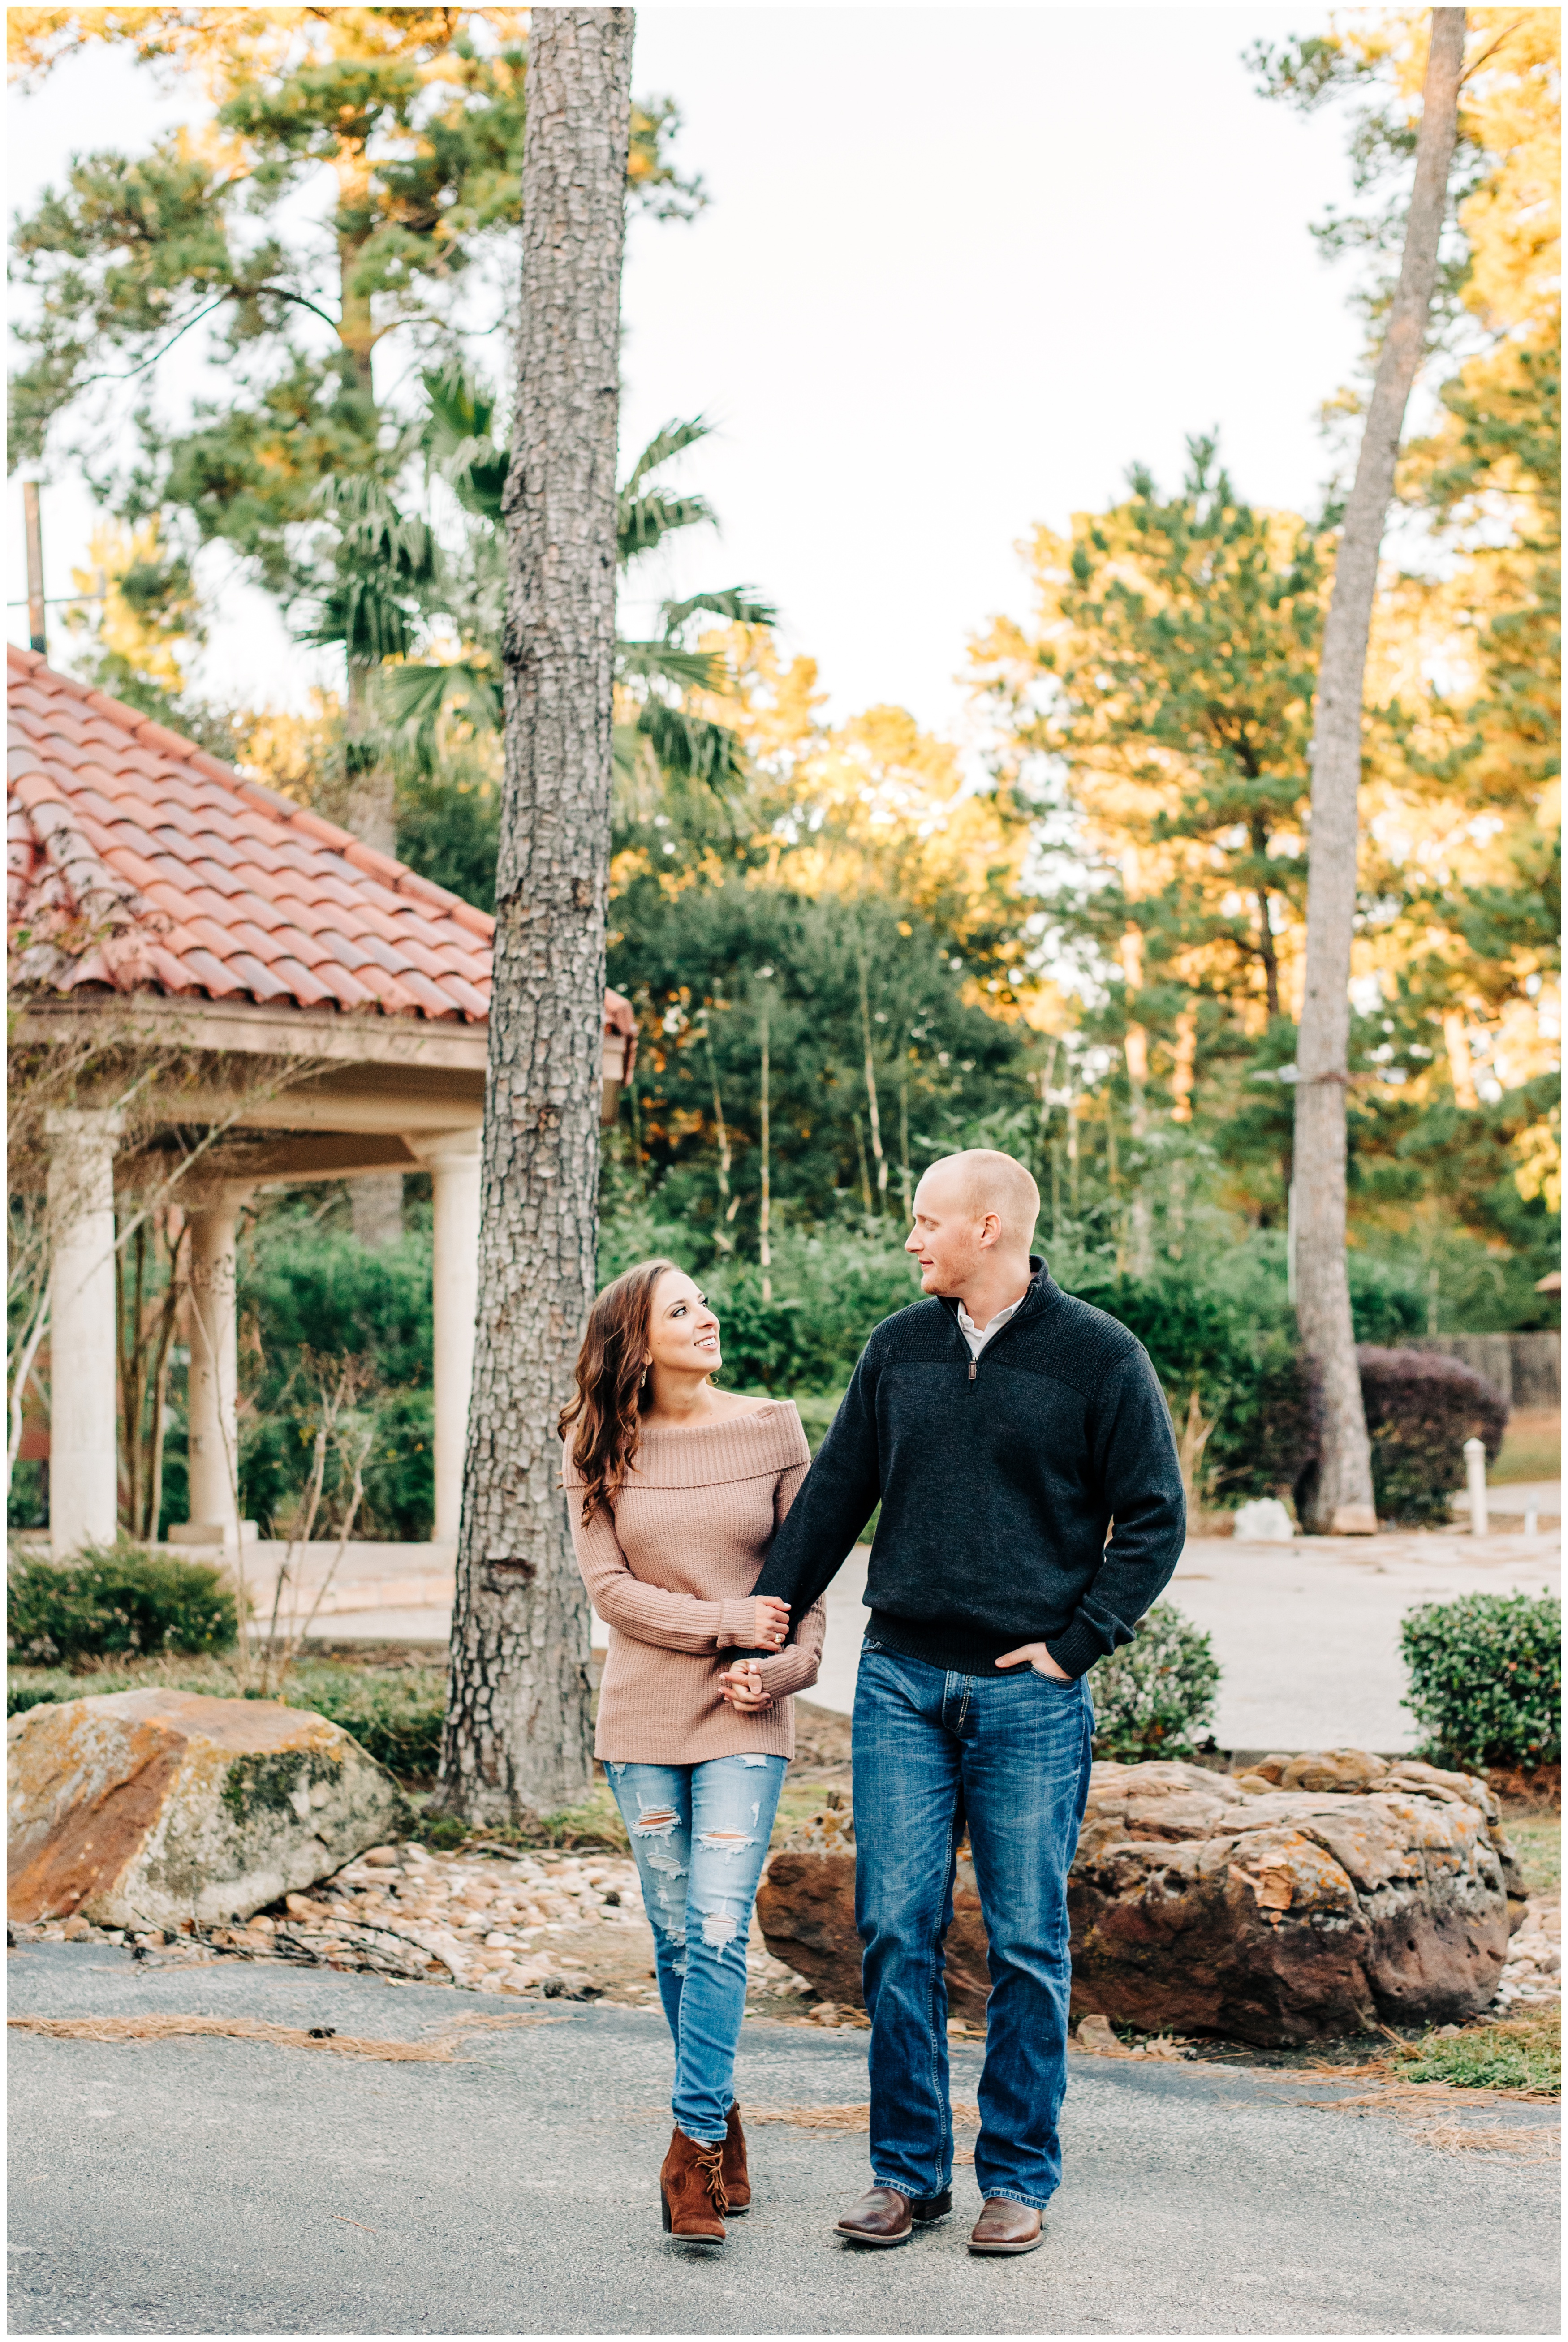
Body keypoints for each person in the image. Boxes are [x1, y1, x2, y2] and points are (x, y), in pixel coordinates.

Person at [720, 1149, 1185, 2257]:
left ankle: (1017, 2177)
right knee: (894, 1930)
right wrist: (768, 1610)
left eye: (928, 1222)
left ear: (989, 1227)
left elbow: (1154, 1518)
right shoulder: (899, 1348)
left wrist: (1076, 1648)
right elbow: (836, 1488)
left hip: (1028, 1697)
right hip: (899, 1683)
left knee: (1026, 1941)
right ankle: (907, 2175)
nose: (912, 1241)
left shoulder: (1098, 1357)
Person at [560, 1257, 826, 2247]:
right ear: (637, 1340)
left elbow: (804, 1585)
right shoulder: (595, 1442)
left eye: (705, 1302)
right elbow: (610, 1591)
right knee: (676, 1937)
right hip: (641, 1716)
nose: (708, 1316)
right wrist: (727, 1621)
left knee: (717, 1929)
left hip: (741, 1717)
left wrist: (784, 1671)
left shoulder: (773, 1430)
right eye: (683, 1309)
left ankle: (690, 2150)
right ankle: (724, 2118)